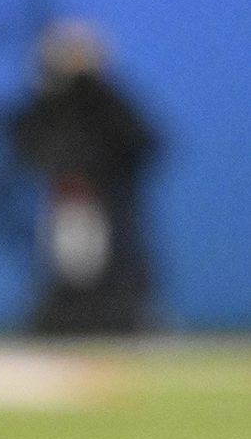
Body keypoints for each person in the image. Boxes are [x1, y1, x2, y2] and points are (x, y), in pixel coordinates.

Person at [10, 20, 158, 334]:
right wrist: (55, 84)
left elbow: (146, 143)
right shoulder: (50, 102)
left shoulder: (107, 100)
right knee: (68, 269)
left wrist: (92, 84)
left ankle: (125, 322)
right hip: (66, 204)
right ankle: (59, 324)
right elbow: (25, 143)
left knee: (115, 271)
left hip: (111, 205)